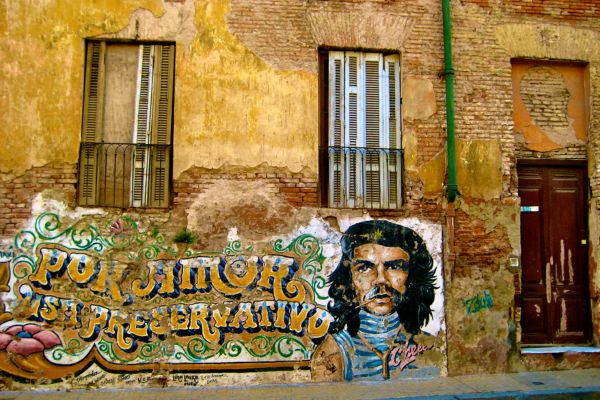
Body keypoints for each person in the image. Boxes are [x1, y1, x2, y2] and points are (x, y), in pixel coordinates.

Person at [311, 220, 436, 381]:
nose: (381, 280)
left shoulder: (428, 345)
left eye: (394, 266)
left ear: (412, 277)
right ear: (349, 278)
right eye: (365, 268)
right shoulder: (334, 350)